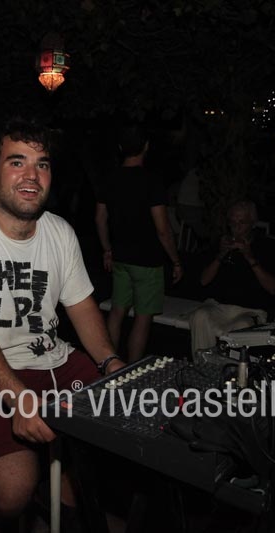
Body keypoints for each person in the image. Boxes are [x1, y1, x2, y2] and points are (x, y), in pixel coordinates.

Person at [0, 117, 125, 529]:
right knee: (12, 490)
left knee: (130, 420)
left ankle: (63, 496)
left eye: (42, 164)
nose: (32, 175)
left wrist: (109, 362)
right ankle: (1, 507)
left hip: (52, 360)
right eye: (17, 162)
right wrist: (19, 399)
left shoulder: (60, 232)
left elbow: (82, 307)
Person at [95, 124, 183, 363]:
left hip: (121, 257)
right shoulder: (151, 180)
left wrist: (107, 249)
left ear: (121, 148)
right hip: (148, 260)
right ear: (146, 147)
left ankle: (109, 365)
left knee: (117, 311)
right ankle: (131, 370)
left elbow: (100, 218)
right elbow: (163, 229)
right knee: (143, 317)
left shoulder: (110, 178)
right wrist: (176, 261)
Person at [189, 199, 275, 353]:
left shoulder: (267, 245)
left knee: (242, 326)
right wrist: (220, 255)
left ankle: (232, 367)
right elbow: (203, 281)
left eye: (242, 222)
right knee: (199, 316)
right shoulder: (222, 243)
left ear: (253, 224)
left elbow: (273, 288)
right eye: (232, 222)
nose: (236, 227)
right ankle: (204, 365)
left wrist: (250, 257)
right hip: (219, 306)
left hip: (250, 309)